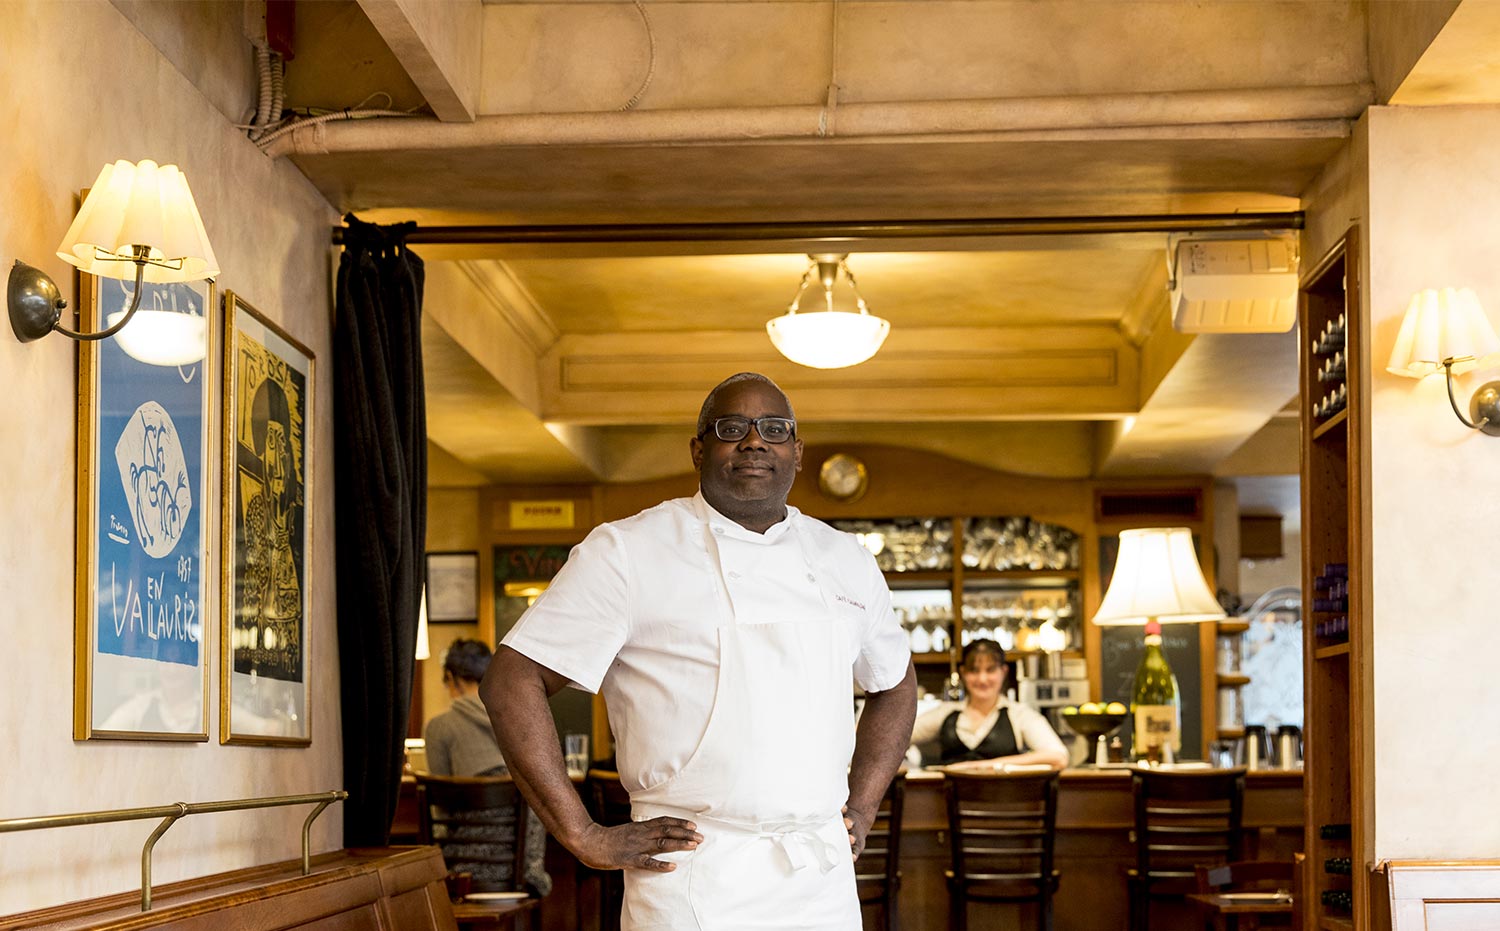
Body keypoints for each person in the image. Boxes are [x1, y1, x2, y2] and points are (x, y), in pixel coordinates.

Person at [480, 372, 917, 931]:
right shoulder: (627, 551)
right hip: (690, 874)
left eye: (774, 429)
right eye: (732, 428)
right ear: (698, 449)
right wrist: (581, 833)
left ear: (797, 451)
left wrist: (862, 806)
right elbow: (511, 682)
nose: (755, 441)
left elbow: (895, 685)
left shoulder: (844, 557)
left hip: (819, 878)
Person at [423, 638, 552, 896]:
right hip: (519, 868)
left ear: (451, 676)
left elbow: (439, 809)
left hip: (461, 867)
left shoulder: (439, 727)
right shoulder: (518, 722)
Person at [910, 640, 1069, 771]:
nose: (982, 679)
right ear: (963, 673)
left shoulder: (1019, 714)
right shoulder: (946, 712)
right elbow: (899, 737)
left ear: (1003, 672)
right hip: (948, 805)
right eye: (974, 670)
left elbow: (1058, 757)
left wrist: (980, 766)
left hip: (1006, 803)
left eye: (990, 670)